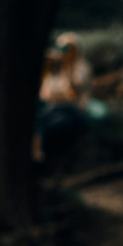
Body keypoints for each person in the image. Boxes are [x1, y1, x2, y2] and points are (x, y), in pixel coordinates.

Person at [33, 34, 93, 164]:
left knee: (52, 125)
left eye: (67, 49)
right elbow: (44, 94)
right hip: (54, 108)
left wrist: (68, 72)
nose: (64, 52)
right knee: (39, 119)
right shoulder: (57, 69)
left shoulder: (80, 67)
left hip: (74, 110)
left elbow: (73, 93)